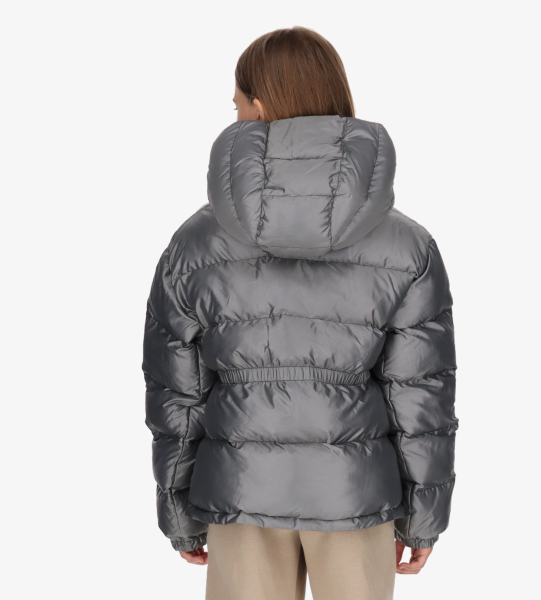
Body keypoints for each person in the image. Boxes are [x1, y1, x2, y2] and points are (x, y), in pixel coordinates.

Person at [143, 26, 458, 600]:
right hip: (355, 494)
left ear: (260, 106)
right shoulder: (407, 247)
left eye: (237, 104)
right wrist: (424, 514)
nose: (236, 115)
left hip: (240, 491)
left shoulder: (195, 245)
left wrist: (178, 509)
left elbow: (177, 396)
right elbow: (421, 396)